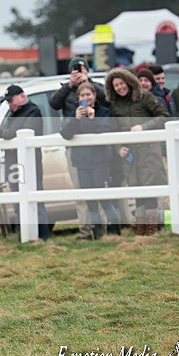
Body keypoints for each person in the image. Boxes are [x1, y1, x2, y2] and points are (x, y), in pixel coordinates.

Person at [105, 68, 169, 236]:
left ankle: (151, 229)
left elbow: (163, 116)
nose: (120, 88)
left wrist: (143, 127)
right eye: (116, 85)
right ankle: (141, 231)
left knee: (150, 188)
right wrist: (118, 147)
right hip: (130, 155)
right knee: (136, 189)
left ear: (128, 81)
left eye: (121, 83)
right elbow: (113, 130)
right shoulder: (115, 105)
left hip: (148, 151)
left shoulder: (144, 96)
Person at [49, 57, 107, 240]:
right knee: (80, 191)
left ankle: (102, 229)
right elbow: (53, 103)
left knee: (99, 190)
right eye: (75, 70)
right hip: (75, 146)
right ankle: (85, 230)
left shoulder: (96, 88)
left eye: (82, 70)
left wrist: (88, 83)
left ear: (87, 71)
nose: (78, 73)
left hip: (97, 148)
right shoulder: (66, 90)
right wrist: (70, 85)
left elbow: (107, 100)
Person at [59, 82, 120, 239]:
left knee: (105, 200)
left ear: (94, 95)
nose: (86, 98)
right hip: (82, 162)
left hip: (100, 161)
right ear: (78, 98)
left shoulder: (103, 112)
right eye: (82, 95)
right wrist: (76, 119)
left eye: (88, 94)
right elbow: (65, 133)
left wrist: (93, 119)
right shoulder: (75, 113)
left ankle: (115, 232)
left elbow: (105, 131)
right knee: (90, 201)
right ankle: (97, 234)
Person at [1, 84, 49, 241]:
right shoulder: (13, 114)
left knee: (36, 203)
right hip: (13, 165)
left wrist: (2, 133)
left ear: (22, 96)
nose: (9, 104)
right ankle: (23, 235)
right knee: (18, 204)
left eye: (11, 100)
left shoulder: (33, 111)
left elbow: (19, 133)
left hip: (30, 165)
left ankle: (42, 236)